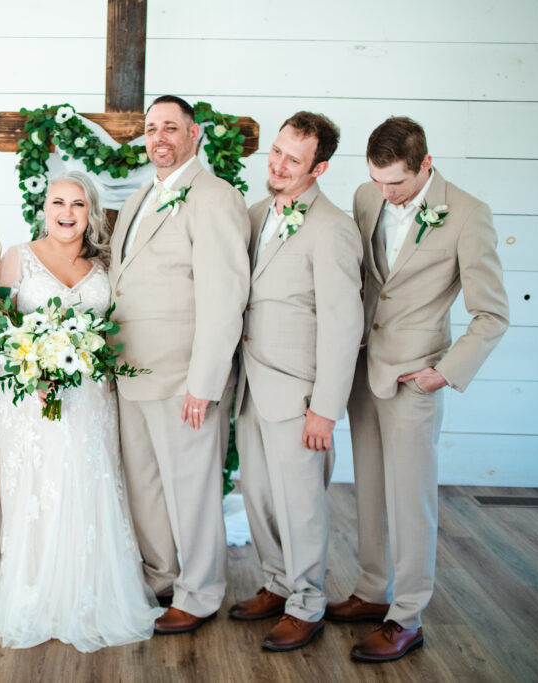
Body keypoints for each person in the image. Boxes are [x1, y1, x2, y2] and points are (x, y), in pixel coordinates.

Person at [329, 117, 509, 662]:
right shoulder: (365, 197)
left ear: (425, 164)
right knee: (369, 490)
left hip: (416, 377)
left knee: (411, 502)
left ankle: (406, 616)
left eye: (397, 184)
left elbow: (492, 314)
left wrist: (444, 371)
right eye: (378, 181)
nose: (386, 193)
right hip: (364, 370)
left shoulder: (470, 215)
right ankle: (370, 589)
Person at [0, 172, 165, 652]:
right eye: (58, 201)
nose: (67, 212)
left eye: (78, 204)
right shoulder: (18, 258)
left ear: (91, 213)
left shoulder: (106, 266)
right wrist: (28, 369)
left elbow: (120, 325)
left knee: (88, 483)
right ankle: (37, 593)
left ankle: (92, 592)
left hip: (92, 400)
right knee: (40, 488)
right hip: (32, 403)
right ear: (44, 208)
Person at [109, 95, 251, 634]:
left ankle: (202, 590)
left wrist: (205, 383)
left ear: (194, 134)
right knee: (144, 485)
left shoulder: (215, 198)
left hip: (183, 379)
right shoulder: (143, 195)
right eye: (151, 128)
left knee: (191, 488)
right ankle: (161, 574)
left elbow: (224, 298)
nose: (159, 137)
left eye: (171, 127)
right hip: (131, 371)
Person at [227, 112, 363, 651]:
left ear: (319, 167)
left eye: (294, 159)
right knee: (257, 494)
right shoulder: (256, 213)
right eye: (277, 152)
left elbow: (342, 323)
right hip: (251, 384)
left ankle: (307, 603)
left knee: (300, 505)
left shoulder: (334, 228)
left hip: (301, 393)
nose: (279, 165)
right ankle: (278, 583)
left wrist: (325, 408)